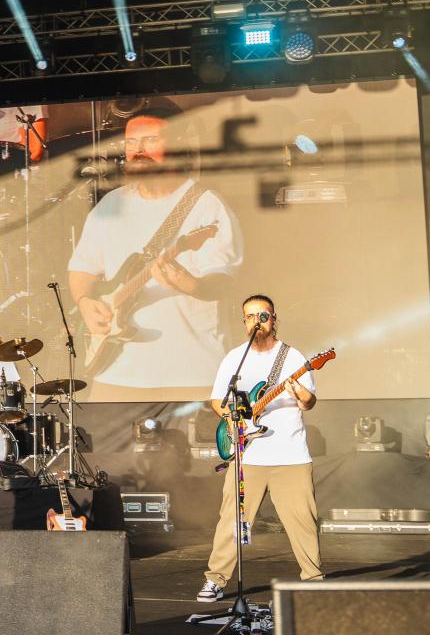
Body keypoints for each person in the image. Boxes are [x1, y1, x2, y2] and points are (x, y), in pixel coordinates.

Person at [68, 98, 242, 401]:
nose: (138, 150)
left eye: (150, 140)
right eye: (131, 142)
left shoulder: (205, 205)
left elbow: (223, 281)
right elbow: (82, 267)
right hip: (115, 371)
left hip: (191, 374)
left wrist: (192, 285)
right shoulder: (111, 205)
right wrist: (84, 302)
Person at [198, 295, 322, 602]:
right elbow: (217, 400)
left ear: (274, 318)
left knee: (302, 520)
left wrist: (299, 391)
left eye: (262, 315)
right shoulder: (234, 358)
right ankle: (216, 579)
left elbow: (308, 403)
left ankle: (313, 577)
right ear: (244, 322)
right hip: (248, 455)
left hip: (290, 454)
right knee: (233, 519)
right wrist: (231, 420)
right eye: (250, 316)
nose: (257, 321)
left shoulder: (293, 358)